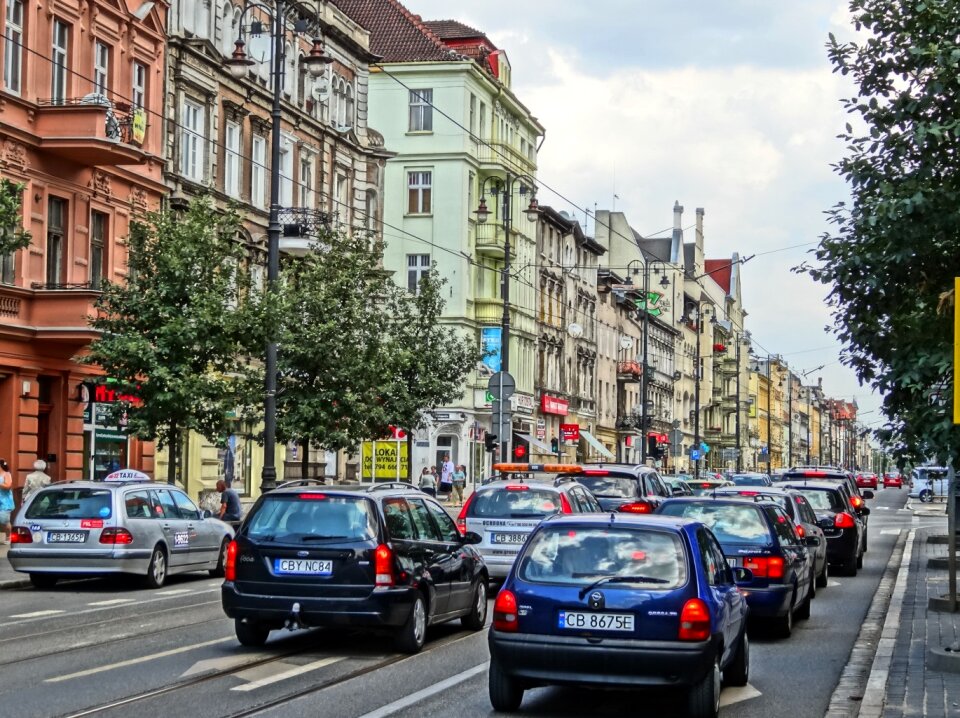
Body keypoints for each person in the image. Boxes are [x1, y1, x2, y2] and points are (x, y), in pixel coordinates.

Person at [0, 459, 13, 544]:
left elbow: (8, 485)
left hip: (5, 501)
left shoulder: (6, 474)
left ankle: (9, 537)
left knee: (4, 520)